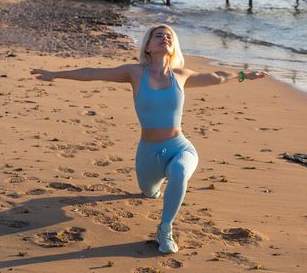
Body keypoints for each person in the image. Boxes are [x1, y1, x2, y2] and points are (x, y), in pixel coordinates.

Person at [30, 24, 267, 253]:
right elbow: (94, 73)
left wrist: (246, 75)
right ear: (147, 47)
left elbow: (218, 76)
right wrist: (56, 74)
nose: (165, 38)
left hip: (179, 146)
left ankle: (165, 229)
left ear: (173, 48)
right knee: (148, 192)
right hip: (149, 153)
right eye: (158, 36)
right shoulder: (134, 73)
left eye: (169, 37)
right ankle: (155, 187)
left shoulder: (181, 76)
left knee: (180, 172)